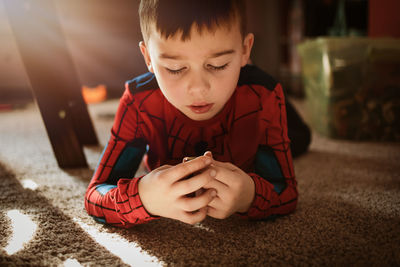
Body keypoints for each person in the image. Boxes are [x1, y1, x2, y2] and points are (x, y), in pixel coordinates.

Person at [84, 0, 311, 228]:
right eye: (175, 69)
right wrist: (143, 197)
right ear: (149, 58)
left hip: (253, 94)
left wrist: (249, 196)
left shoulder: (265, 95)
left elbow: (287, 191)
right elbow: (95, 194)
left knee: (300, 139)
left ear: (245, 50)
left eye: (218, 65)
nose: (198, 89)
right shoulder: (138, 101)